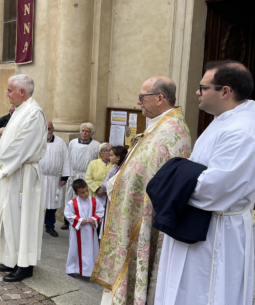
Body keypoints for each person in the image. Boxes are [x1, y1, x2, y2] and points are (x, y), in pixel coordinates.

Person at [154, 61, 255, 305]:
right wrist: (182, 172)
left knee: (206, 293)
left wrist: (170, 175)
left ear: (225, 91)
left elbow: (212, 190)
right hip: (197, 223)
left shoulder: (243, 130)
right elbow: (198, 172)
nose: (197, 93)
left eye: (203, 87)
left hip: (217, 231)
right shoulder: (223, 120)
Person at [91, 76, 191, 304]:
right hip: (129, 212)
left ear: (160, 98)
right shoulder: (160, 126)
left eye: (142, 97)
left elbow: (152, 175)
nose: (138, 102)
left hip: (143, 219)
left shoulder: (170, 133)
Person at [0, 74, 47, 282]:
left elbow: (22, 146)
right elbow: (6, 140)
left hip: (24, 175)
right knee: (10, 216)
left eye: (9, 90)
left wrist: (1, 165)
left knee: (24, 219)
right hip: (12, 172)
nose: (6, 94)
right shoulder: (20, 111)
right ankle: (11, 257)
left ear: (21, 92)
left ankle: (25, 264)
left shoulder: (34, 113)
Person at [61, 122, 100, 230]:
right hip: (73, 174)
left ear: (91, 133)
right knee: (70, 198)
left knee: (83, 198)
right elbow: (67, 158)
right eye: (83, 130)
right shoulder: (73, 142)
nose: (84, 133)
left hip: (85, 175)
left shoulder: (96, 145)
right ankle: (67, 221)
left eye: (87, 131)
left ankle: (83, 220)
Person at [64, 179, 103, 278]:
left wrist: (94, 218)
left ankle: (91, 270)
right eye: (82, 192)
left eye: (87, 191)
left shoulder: (94, 201)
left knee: (91, 250)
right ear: (76, 193)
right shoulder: (72, 203)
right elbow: (68, 214)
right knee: (74, 249)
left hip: (90, 232)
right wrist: (79, 220)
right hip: (77, 231)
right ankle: (72, 268)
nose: (86, 194)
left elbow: (100, 212)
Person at [39, 120, 70, 237]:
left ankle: (50, 226)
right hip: (38, 178)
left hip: (54, 179)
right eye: (44, 128)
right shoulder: (36, 140)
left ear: (53, 129)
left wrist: (65, 177)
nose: (47, 131)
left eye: (49, 128)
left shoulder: (60, 142)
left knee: (52, 204)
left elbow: (66, 159)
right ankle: (34, 227)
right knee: (37, 203)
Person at [98, 146, 127, 238]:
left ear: (118, 157)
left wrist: (109, 184)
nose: (109, 157)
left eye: (111, 155)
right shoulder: (114, 168)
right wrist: (109, 185)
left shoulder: (125, 169)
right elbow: (104, 183)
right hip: (111, 199)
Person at [84, 143, 113, 225]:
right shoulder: (93, 163)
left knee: (105, 216)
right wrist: (98, 189)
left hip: (108, 193)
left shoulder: (114, 164)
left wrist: (106, 190)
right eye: (106, 150)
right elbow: (88, 178)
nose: (108, 152)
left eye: (110, 150)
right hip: (94, 192)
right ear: (101, 153)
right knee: (94, 214)